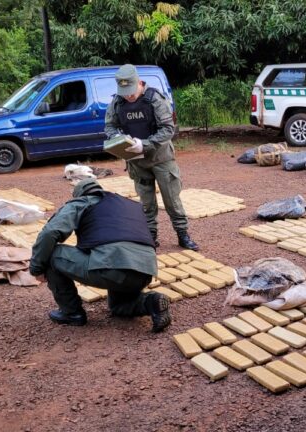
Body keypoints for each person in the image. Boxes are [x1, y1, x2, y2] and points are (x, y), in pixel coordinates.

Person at [29, 178, 171, 331]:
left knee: (52, 254)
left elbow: (50, 233)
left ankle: (72, 313)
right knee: (119, 306)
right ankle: (151, 302)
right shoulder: (128, 204)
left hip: (113, 269)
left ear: (79, 195)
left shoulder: (82, 202)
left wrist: (36, 268)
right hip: (144, 271)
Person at [105, 64, 199, 251]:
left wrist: (146, 144)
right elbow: (109, 126)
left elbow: (168, 129)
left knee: (172, 200)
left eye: (131, 91)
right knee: (146, 204)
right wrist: (116, 137)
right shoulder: (117, 103)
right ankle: (150, 237)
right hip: (137, 161)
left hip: (161, 159)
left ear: (139, 83)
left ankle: (183, 235)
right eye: (125, 92)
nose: (129, 96)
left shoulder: (154, 99)